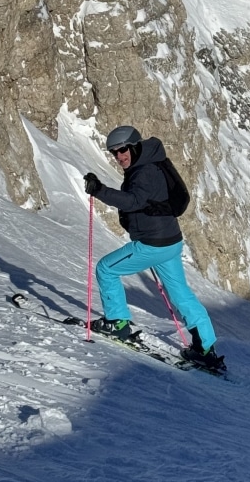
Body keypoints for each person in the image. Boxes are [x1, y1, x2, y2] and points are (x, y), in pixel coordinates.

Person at [83, 125, 225, 372]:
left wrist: (100, 191)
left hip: (152, 243)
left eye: (123, 149)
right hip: (170, 241)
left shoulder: (145, 171)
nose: (119, 156)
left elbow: (134, 200)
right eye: (114, 152)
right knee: (181, 292)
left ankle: (117, 323)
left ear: (135, 146)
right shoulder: (150, 162)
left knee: (106, 269)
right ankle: (205, 348)